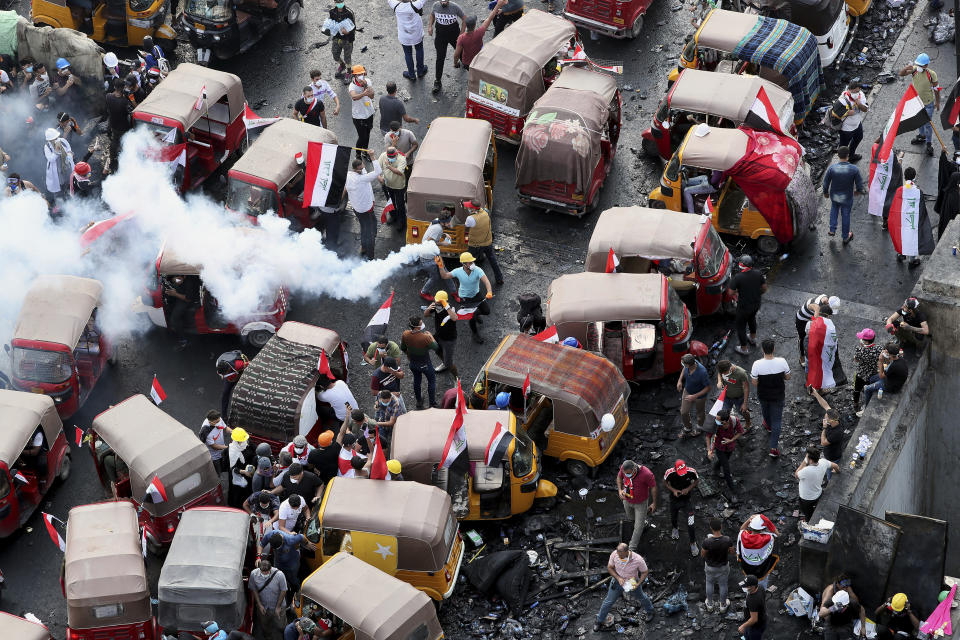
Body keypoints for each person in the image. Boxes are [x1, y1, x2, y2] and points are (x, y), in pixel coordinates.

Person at [593, 543, 655, 631]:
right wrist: (618, 578)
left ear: (627, 552)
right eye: (618, 553)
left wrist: (638, 583)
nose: (618, 556)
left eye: (620, 554)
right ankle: (599, 620)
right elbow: (610, 567)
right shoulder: (615, 554)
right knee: (608, 601)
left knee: (641, 597)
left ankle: (651, 611)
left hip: (632, 581)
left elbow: (645, 572)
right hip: (618, 580)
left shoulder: (638, 559)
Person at [437, 251, 494, 343]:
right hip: (465, 298)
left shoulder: (478, 270)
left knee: (486, 311)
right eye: (470, 262)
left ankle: (476, 313)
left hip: (476, 294)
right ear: (464, 264)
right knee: (471, 317)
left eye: (472, 262)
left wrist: (489, 291)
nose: (472, 264)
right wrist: (440, 266)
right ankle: (475, 334)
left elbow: (486, 282)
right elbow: (444, 276)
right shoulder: (458, 271)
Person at [751, 339, 791, 456]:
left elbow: (754, 382)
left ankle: (768, 425)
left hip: (763, 394)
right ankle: (773, 448)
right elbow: (788, 377)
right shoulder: (782, 361)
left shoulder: (757, 364)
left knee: (765, 410)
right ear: (773, 349)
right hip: (778, 395)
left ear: (763, 350)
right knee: (777, 420)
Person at [899, 53, 940, 157]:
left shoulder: (932, 74)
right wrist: (906, 68)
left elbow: (936, 89)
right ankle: (922, 136)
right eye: (918, 65)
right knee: (919, 121)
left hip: (928, 103)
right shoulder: (914, 70)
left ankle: (929, 143)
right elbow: (901, 74)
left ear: (926, 65)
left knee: (927, 124)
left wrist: (938, 102)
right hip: (916, 102)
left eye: (921, 65)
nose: (919, 67)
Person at [822, 146, 865, 244]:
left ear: (838, 155)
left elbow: (825, 183)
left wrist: (825, 192)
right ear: (848, 156)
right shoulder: (854, 169)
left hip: (835, 196)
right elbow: (859, 184)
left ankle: (832, 229)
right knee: (845, 215)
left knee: (834, 209)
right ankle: (845, 236)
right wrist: (858, 191)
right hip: (847, 197)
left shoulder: (832, 168)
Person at [344, 151, 382, 258]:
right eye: (362, 167)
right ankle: (370, 254)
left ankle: (364, 246)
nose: (363, 167)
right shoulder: (362, 179)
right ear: (358, 168)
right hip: (365, 209)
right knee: (368, 231)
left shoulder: (349, 175)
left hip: (358, 208)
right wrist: (372, 156)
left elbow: (364, 171)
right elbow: (378, 171)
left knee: (368, 225)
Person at [616, 459, 657, 552]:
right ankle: (644, 522)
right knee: (631, 518)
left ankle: (631, 549)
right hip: (627, 499)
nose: (626, 475)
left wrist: (654, 503)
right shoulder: (624, 468)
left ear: (634, 469)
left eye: (628, 473)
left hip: (640, 503)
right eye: (625, 473)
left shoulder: (646, 474)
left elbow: (653, 487)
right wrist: (619, 490)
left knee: (638, 528)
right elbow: (619, 477)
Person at [400, 315, 440, 408]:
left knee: (417, 381)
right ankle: (432, 403)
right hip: (425, 363)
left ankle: (419, 401)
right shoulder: (425, 337)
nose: (422, 324)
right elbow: (436, 347)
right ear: (417, 327)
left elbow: (403, 348)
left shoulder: (405, 334)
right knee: (432, 381)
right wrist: (431, 337)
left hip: (413, 363)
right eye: (421, 323)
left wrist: (409, 355)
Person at [729, 255, 766, 355]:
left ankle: (744, 349)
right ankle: (753, 338)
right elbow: (764, 288)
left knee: (741, 326)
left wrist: (737, 291)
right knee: (752, 319)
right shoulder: (758, 273)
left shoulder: (738, 278)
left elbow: (730, 293)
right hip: (756, 304)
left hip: (744, 308)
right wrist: (756, 294)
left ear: (741, 265)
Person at [259, 529, 315, 595]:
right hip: (278, 563)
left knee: (293, 579)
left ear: (282, 541)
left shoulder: (290, 539)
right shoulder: (271, 534)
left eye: (279, 547)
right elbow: (261, 544)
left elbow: (301, 537)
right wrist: (258, 556)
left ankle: (298, 590)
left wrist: (307, 543)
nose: (278, 550)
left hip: (292, 564)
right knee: (277, 577)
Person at [454, 0, 505, 69]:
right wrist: (498, 5)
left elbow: (456, 54)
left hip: (467, 63)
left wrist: (455, 63)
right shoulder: (480, 32)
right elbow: (490, 18)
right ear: (475, 25)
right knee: (480, 75)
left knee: (471, 75)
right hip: (478, 60)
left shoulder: (461, 38)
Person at [464, 199, 504, 285]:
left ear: (473, 209)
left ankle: (469, 281)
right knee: (492, 260)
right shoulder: (486, 212)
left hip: (475, 244)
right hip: (487, 242)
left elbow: (466, 228)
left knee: (469, 261)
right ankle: (499, 278)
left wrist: (466, 238)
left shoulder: (470, 218)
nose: (468, 208)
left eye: (469, 207)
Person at [663, 459, 699, 557]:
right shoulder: (669, 473)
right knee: (673, 517)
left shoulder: (691, 471)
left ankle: (693, 543)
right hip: (674, 499)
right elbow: (665, 483)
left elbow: (696, 481)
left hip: (687, 501)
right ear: (675, 468)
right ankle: (675, 528)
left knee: (691, 523)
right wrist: (673, 490)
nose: (682, 475)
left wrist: (688, 489)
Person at [428, 0, 464, 93]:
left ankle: (469, 69)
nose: (443, 3)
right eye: (442, 1)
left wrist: (461, 34)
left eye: (445, 1)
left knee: (460, 52)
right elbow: (432, 15)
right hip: (440, 35)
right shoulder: (435, 5)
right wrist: (430, 26)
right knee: (440, 58)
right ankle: (437, 81)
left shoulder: (455, 7)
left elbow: (465, 18)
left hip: (454, 34)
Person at [388, 0, 429, 81]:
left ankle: (411, 74)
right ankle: (420, 71)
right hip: (416, 33)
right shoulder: (416, 4)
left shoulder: (396, 6)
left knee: (408, 54)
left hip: (404, 35)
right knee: (419, 49)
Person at [805, 304, 842, 393]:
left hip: (808, 350)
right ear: (828, 316)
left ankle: (809, 387)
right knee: (818, 370)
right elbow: (832, 341)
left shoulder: (810, 323)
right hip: (819, 353)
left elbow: (807, 333)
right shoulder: (830, 327)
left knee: (808, 368)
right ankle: (819, 389)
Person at [795, 446, 839, 521]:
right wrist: (836, 471)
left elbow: (796, 474)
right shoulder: (823, 462)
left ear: (811, 460)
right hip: (818, 493)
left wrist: (804, 461)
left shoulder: (806, 470)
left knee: (808, 513)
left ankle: (809, 521)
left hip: (806, 498)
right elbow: (836, 466)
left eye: (807, 457)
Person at [419, 212, 456, 299]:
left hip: (434, 254)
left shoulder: (436, 220)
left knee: (445, 272)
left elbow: (432, 234)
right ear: (442, 222)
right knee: (435, 277)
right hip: (428, 258)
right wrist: (443, 243)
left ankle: (454, 292)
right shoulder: (438, 228)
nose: (449, 223)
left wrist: (444, 234)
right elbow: (428, 242)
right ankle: (423, 292)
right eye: (448, 222)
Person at [861, 343, 908, 411]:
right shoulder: (899, 358)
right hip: (892, 378)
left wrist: (880, 361)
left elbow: (881, 375)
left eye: (885, 351)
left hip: (892, 386)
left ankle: (866, 407)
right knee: (872, 378)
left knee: (867, 389)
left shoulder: (894, 366)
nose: (883, 352)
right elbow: (888, 364)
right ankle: (873, 391)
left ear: (889, 354)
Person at [795, 295, 840, 366]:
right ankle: (802, 358)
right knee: (802, 338)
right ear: (828, 303)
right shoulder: (817, 307)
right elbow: (816, 323)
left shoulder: (826, 299)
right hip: (802, 319)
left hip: (811, 317)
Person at [701, 518, 734, 613]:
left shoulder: (707, 541)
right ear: (721, 527)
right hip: (723, 567)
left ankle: (710, 605)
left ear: (711, 528)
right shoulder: (727, 540)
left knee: (709, 583)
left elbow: (703, 554)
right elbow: (732, 552)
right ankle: (723, 606)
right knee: (723, 585)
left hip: (710, 567)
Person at [736, 514, 777, 589]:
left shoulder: (743, 535)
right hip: (762, 567)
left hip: (747, 566)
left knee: (749, 582)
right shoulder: (768, 538)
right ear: (762, 528)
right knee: (762, 584)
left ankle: (750, 595)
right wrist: (769, 522)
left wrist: (749, 520)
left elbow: (741, 529)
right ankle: (761, 594)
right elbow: (777, 534)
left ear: (751, 526)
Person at [250, 558, 288, 639]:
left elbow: (283, 590)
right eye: (263, 572)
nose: (265, 574)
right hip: (263, 606)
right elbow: (254, 589)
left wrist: (278, 607)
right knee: (265, 625)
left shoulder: (279, 575)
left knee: (281, 626)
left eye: (267, 572)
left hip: (278, 606)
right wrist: (259, 605)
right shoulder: (253, 574)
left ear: (270, 569)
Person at [812, 388, 844, 481]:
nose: (825, 419)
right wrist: (816, 394)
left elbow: (823, 442)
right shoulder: (836, 417)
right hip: (828, 452)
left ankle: (830, 481)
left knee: (830, 474)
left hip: (833, 456)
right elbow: (825, 405)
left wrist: (824, 428)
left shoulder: (836, 432)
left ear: (832, 420)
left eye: (826, 418)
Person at [711, 410, 744, 498]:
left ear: (725, 421)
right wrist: (709, 450)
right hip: (719, 447)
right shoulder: (716, 424)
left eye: (718, 420)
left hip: (730, 447)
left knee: (724, 460)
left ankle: (716, 467)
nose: (716, 420)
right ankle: (733, 489)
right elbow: (709, 435)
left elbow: (740, 432)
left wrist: (731, 440)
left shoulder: (734, 421)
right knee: (726, 468)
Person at [677, 353, 710, 440]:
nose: (682, 364)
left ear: (689, 364)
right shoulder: (688, 365)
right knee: (683, 412)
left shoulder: (702, 372)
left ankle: (700, 428)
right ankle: (688, 427)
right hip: (687, 391)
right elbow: (684, 369)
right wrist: (680, 380)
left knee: (700, 412)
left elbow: (708, 388)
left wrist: (695, 396)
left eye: (683, 363)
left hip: (699, 396)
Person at [425, 290, 459, 376]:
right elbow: (426, 315)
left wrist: (446, 306)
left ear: (445, 301)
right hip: (439, 335)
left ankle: (457, 379)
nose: (437, 303)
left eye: (439, 302)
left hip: (449, 339)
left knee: (449, 363)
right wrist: (428, 309)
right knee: (437, 350)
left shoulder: (451, 309)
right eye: (436, 301)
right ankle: (444, 363)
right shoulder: (435, 306)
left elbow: (454, 318)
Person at [104, 78, 132, 175]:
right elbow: (130, 112)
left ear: (114, 87)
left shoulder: (108, 96)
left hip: (113, 124)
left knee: (115, 141)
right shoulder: (125, 101)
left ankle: (112, 158)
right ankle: (124, 159)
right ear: (123, 87)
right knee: (124, 142)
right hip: (124, 126)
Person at [836, 81, 869, 162]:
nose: (856, 94)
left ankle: (851, 155)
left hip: (857, 124)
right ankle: (842, 162)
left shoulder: (861, 95)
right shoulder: (843, 99)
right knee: (843, 146)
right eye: (854, 92)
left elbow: (865, 109)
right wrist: (846, 113)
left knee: (858, 138)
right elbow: (835, 112)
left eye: (857, 91)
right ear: (849, 90)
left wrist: (859, 104)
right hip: (846, 129)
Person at [852, 328, 883, 414]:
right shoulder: (878, 348)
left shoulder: (859, 350)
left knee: (857, 389)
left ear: (865, 341)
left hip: (861, 373)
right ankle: (867, 404)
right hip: (872, 373)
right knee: (868, 390)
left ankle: (855, 404)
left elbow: (856, 359)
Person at [164, 274, 199, 348]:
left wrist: (175, 294)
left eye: (179, 279)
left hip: (187, 298)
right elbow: (172, 279)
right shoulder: (177, 274)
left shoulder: (189, 283)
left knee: (174, 319)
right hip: (180, 291)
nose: (177, 281)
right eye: (175, 279)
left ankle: (183, 341)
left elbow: (188, 299)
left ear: (184, 276)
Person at [378, 146, 408, 229]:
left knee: (400, 204)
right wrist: (379, 177)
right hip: (387, 185)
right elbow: (377, 168)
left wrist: (388, 166)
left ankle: (402, 221)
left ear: (397, 153)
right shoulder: (383, 155)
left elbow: (399, 172)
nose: (390, 158)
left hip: (398, 186)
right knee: (390, 202)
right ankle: (393, 216)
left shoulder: (402, 159)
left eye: (392, 157)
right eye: (389, 157)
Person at [347, 68, 375, 156]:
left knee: (368, 134)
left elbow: (372, 96)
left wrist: (366, 86)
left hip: (369, 113)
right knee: (362, 137)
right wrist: (363, 94)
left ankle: (365, 151)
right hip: (358, 116)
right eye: (358, 74)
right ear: (354, 75)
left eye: (362, 73)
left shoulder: (368, 81)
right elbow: (354, 97)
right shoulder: (352, 86)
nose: (360, 76)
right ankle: (358, 154)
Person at [715, 359, 750, 426]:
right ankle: (728, 427)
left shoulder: (741, 373)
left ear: (730, 368)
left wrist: (745, 403)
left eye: (724, 373)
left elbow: (746, 388)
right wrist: (719, 381)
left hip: (739, 398)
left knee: (743, 412)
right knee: (724, 413)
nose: (723, 375)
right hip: (726, 396)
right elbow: (719, 373)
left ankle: (748, 423)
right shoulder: (723, 369)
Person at [328, 1, 357, 80]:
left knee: (347, 57)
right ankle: (342, 65)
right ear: (335, 1)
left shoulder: (349, 13)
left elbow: (354, 27)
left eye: (341, 1)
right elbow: (331, 22)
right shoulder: (332, 12)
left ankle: (349, 71)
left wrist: (348, 31)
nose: (339, 3)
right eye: (337, 1)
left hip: (347, 40)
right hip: (337, 38)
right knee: (335, 55)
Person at [227, 428, 254, 509]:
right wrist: (244, 472)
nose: (244, 442)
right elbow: (232, 468)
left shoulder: (247, 443)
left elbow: (255, 451)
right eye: (242, 440)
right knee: (236, 492)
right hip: (237, 475)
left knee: (246, 490)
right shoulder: (231, 451)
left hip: (248, 472)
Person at [217, 351, 249, 417]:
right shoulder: (219, 364)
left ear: (228, 369)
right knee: (225, 393)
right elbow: (220, 373)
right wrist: (224, 376)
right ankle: (224, 416)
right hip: (232, 376)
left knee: (241, 393)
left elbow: (250, 364)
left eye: (225, 374)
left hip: (240, 373)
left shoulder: (239, 365)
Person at [43, 127, 73, 196]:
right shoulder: (47, 147)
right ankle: (60, 201)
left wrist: (69, 154)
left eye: (56, 137)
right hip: (56, 169)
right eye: (54, 139)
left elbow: (68, 148)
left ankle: (70, 195)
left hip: (66, 166)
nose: (56, 140)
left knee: (69, 181)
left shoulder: (62, 140)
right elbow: (51, 159)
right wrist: (56, 150)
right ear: (50, 140)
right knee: (59, 186)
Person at [738, 575, 767, 640]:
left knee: (753, 637)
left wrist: (743, 626)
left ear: (752, 587)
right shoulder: (760, 587)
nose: (744, 587)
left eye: (746, 586)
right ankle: (746, 637)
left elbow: (754, 619)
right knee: (747, 634)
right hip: (760, 617)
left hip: (755, 626)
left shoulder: (752, 600)